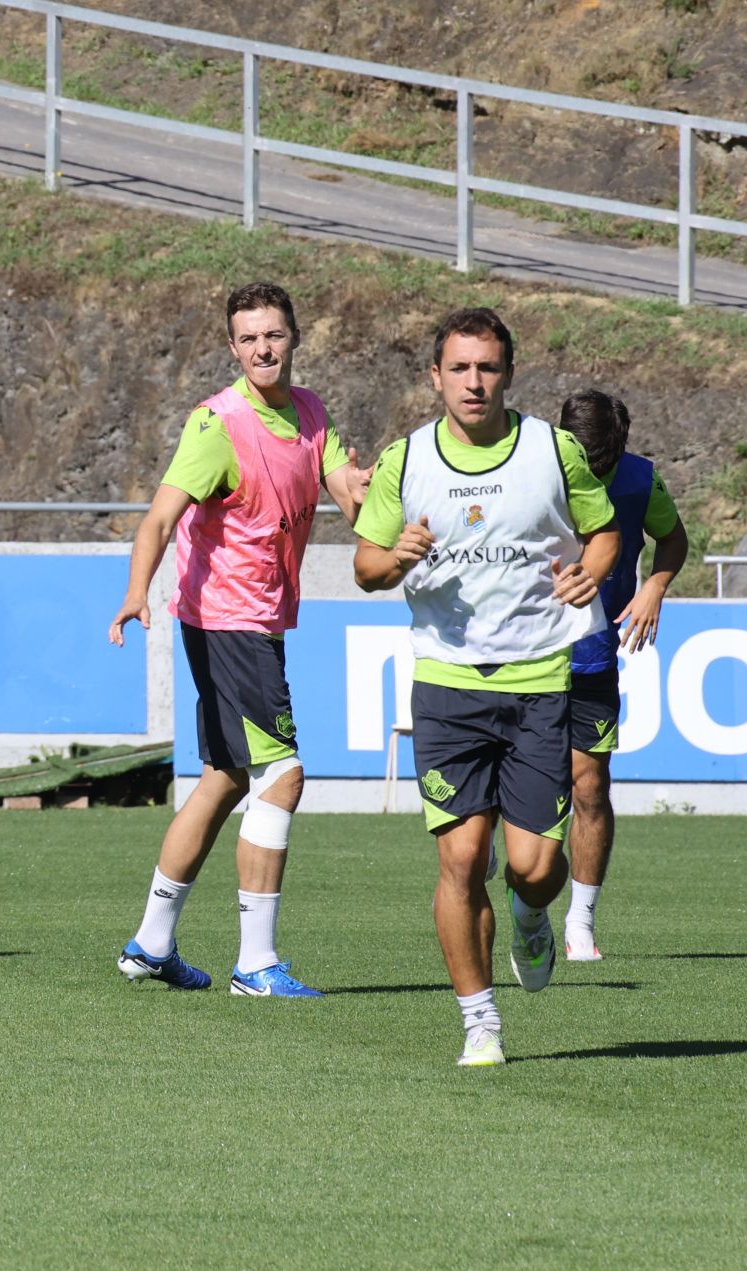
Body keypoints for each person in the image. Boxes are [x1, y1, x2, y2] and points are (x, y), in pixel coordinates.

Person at [353, 307, 619, 1068]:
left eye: (488, 367)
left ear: (509, 373)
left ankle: (533, 917)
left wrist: (592, 572)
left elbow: (603, 532)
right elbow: (366, 568)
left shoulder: (552, 449)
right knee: (461, 859)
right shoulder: (406, 462)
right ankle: (479, 1024)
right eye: (460, 368)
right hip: (446, 684)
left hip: (540, 680)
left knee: (534, 866)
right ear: (435, 376)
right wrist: (395, 557)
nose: (474, 382)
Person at [108, 281, 369, 998]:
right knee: (283, 774)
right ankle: (256, 963)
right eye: (249, 338)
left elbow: (347, 488)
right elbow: (160, 520)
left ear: (293, 338)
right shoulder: (216, 424)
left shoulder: (310, 412)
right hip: (227, 619)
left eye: (274, 335)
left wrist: (377, 490)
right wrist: (137, 591)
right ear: (232, 348)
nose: (263, 348)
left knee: (225, 778)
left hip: (255, 618)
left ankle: (151, 944)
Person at [556, 390, 686, 961]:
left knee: (590, 786)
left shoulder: (639, 480)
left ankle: (581, 920)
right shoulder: (529, 466)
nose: (594, 473)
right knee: (507, 785)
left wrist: (654, 585)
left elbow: (673, 537)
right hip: (517, 654)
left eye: (603, 463)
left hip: (591, 657)